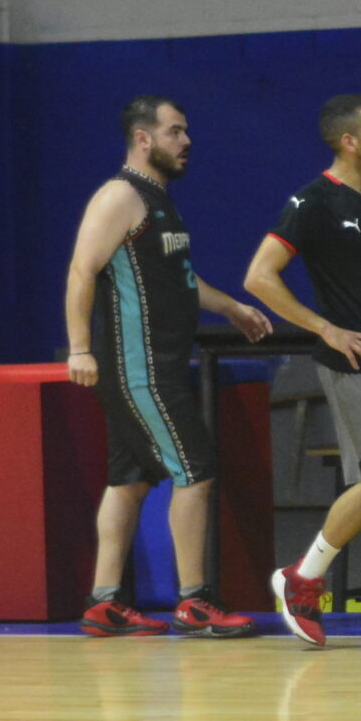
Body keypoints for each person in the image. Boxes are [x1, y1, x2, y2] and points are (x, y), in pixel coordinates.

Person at [65, 97, 274, 639]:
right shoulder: (120, 196)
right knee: (195, 469)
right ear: (143, 138)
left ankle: (104, 602)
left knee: (129, 479)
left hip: (154, 364)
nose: (186, 141)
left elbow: (180, 280)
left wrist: (231, 307)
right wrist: (79, 348)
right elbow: (82, 271)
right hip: (141, 369)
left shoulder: (158, 201)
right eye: (175, 131)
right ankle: (194, 602)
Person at [246, 94, 361, 648]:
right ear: (349, 141)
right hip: (352, 364)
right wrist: (325, 328)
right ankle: (302, 576)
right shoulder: (312, 203)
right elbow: (260, 277)